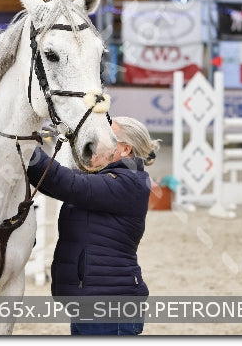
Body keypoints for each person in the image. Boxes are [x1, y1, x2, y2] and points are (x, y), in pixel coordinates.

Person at [26, 116, 160, 335]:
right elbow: (52, 183)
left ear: (125, 150)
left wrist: (27, 142)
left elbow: (65, 183)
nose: (97, 140)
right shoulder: (108, 177)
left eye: (106, 137)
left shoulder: (129, 181)